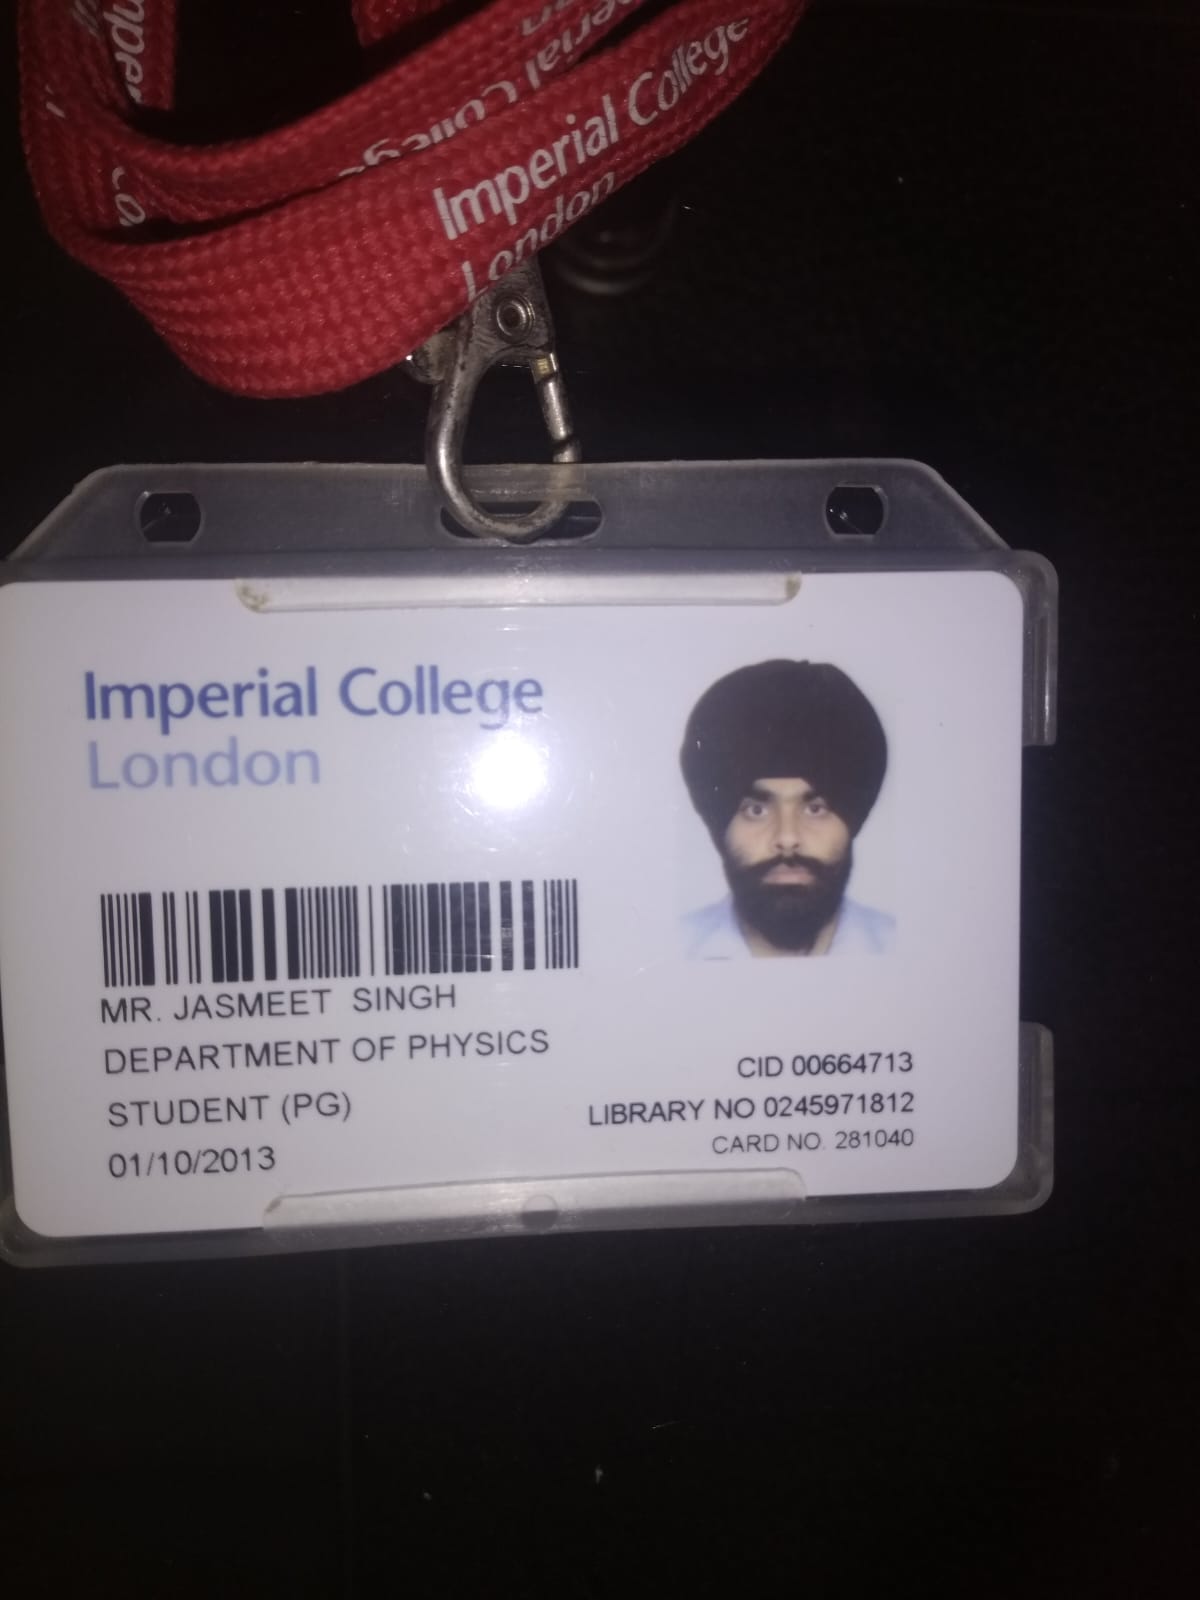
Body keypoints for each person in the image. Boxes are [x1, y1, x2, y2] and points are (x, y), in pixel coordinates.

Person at [680, 660, 894, 958]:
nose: (788, 838)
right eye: (756, 810)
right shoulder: (673, 951)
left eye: (815, 809)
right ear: (720, 828)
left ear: (852, 822)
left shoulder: (901, 950)